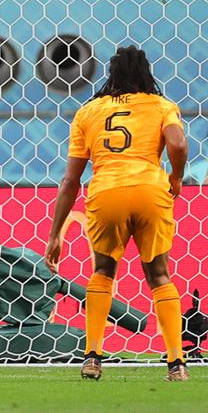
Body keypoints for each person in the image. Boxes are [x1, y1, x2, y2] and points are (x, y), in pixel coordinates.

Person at [44, 46, 189, 382]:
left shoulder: (88, 112)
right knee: (159, 275)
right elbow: (179, 145)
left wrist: (55, 235)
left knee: (103, 271)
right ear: (146, 74)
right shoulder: (162, 106)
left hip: (107, 192)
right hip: (149, 191)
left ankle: (92, 357)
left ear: (111, 76)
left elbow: (70, 181)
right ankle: (176, 363)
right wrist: (176, 177)